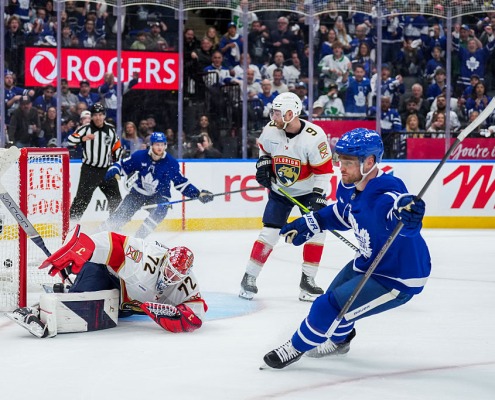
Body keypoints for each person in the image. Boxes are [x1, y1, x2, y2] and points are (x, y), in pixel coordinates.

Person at [262, 128, 430, 369]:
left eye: (349, 162)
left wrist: (409, 218)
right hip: (368, 260)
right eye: (340, 160)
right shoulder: (350, 186)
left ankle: (295, 348)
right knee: (334, 302)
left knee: (326, 307)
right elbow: (343, 213)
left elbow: (399, 218)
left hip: (396, 276)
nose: (341, 167)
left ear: (369, 162)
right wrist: (312, 222)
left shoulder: (386, 196)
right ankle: (340, 342)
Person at [6, 225, 207, 338]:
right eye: (169, 271)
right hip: (104, 274)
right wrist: (82, 248)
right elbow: (115, 243)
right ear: (165, 261)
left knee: (100, 315)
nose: (171, 278)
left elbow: (196, 314)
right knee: (82, 301)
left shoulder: (186, 282)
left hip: (123, 304)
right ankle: (34, 312)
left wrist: (177, 315)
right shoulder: (147, 257)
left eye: (177, 275)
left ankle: (68, 294)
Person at [239, 92, 333, 302]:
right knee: (269, 233)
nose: (273, 116)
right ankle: (249, 277)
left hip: (308, 192)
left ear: (291, 114)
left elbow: (324, 171)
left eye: (277, 112)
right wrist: (264, 164)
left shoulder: (314, 137)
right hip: (280, 190)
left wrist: (318, 195)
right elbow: (264, 151)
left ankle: (308, 281)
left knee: (317, 232)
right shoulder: (270, 129)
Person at [100, 132, 214, 238]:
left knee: (161, 210)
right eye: (157, 144)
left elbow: (181, 183)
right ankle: (100, 233)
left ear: (165, 146)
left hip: (159, 195)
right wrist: (115, 169)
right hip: (138, 193)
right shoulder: (140, 156)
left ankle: (138, 238)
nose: (159, 147)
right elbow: (123, 165)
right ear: (151, 145)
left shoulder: (170, 163)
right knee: (122, 214)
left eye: (162, 145)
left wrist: (197, 194)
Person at [68, 103, 123, 221]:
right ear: (92, 116)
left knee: (116, 198)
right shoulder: (85, 129)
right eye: (95, 115)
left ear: (104, 116)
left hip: (106, 170)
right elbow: (70, 140)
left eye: (100, 115)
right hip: (89, 170)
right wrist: (82, 138)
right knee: (82, 199)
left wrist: (116, 164)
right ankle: (71, 224)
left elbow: (117, 147)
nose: (98, 117)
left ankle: (115, 223)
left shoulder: (110, 130)